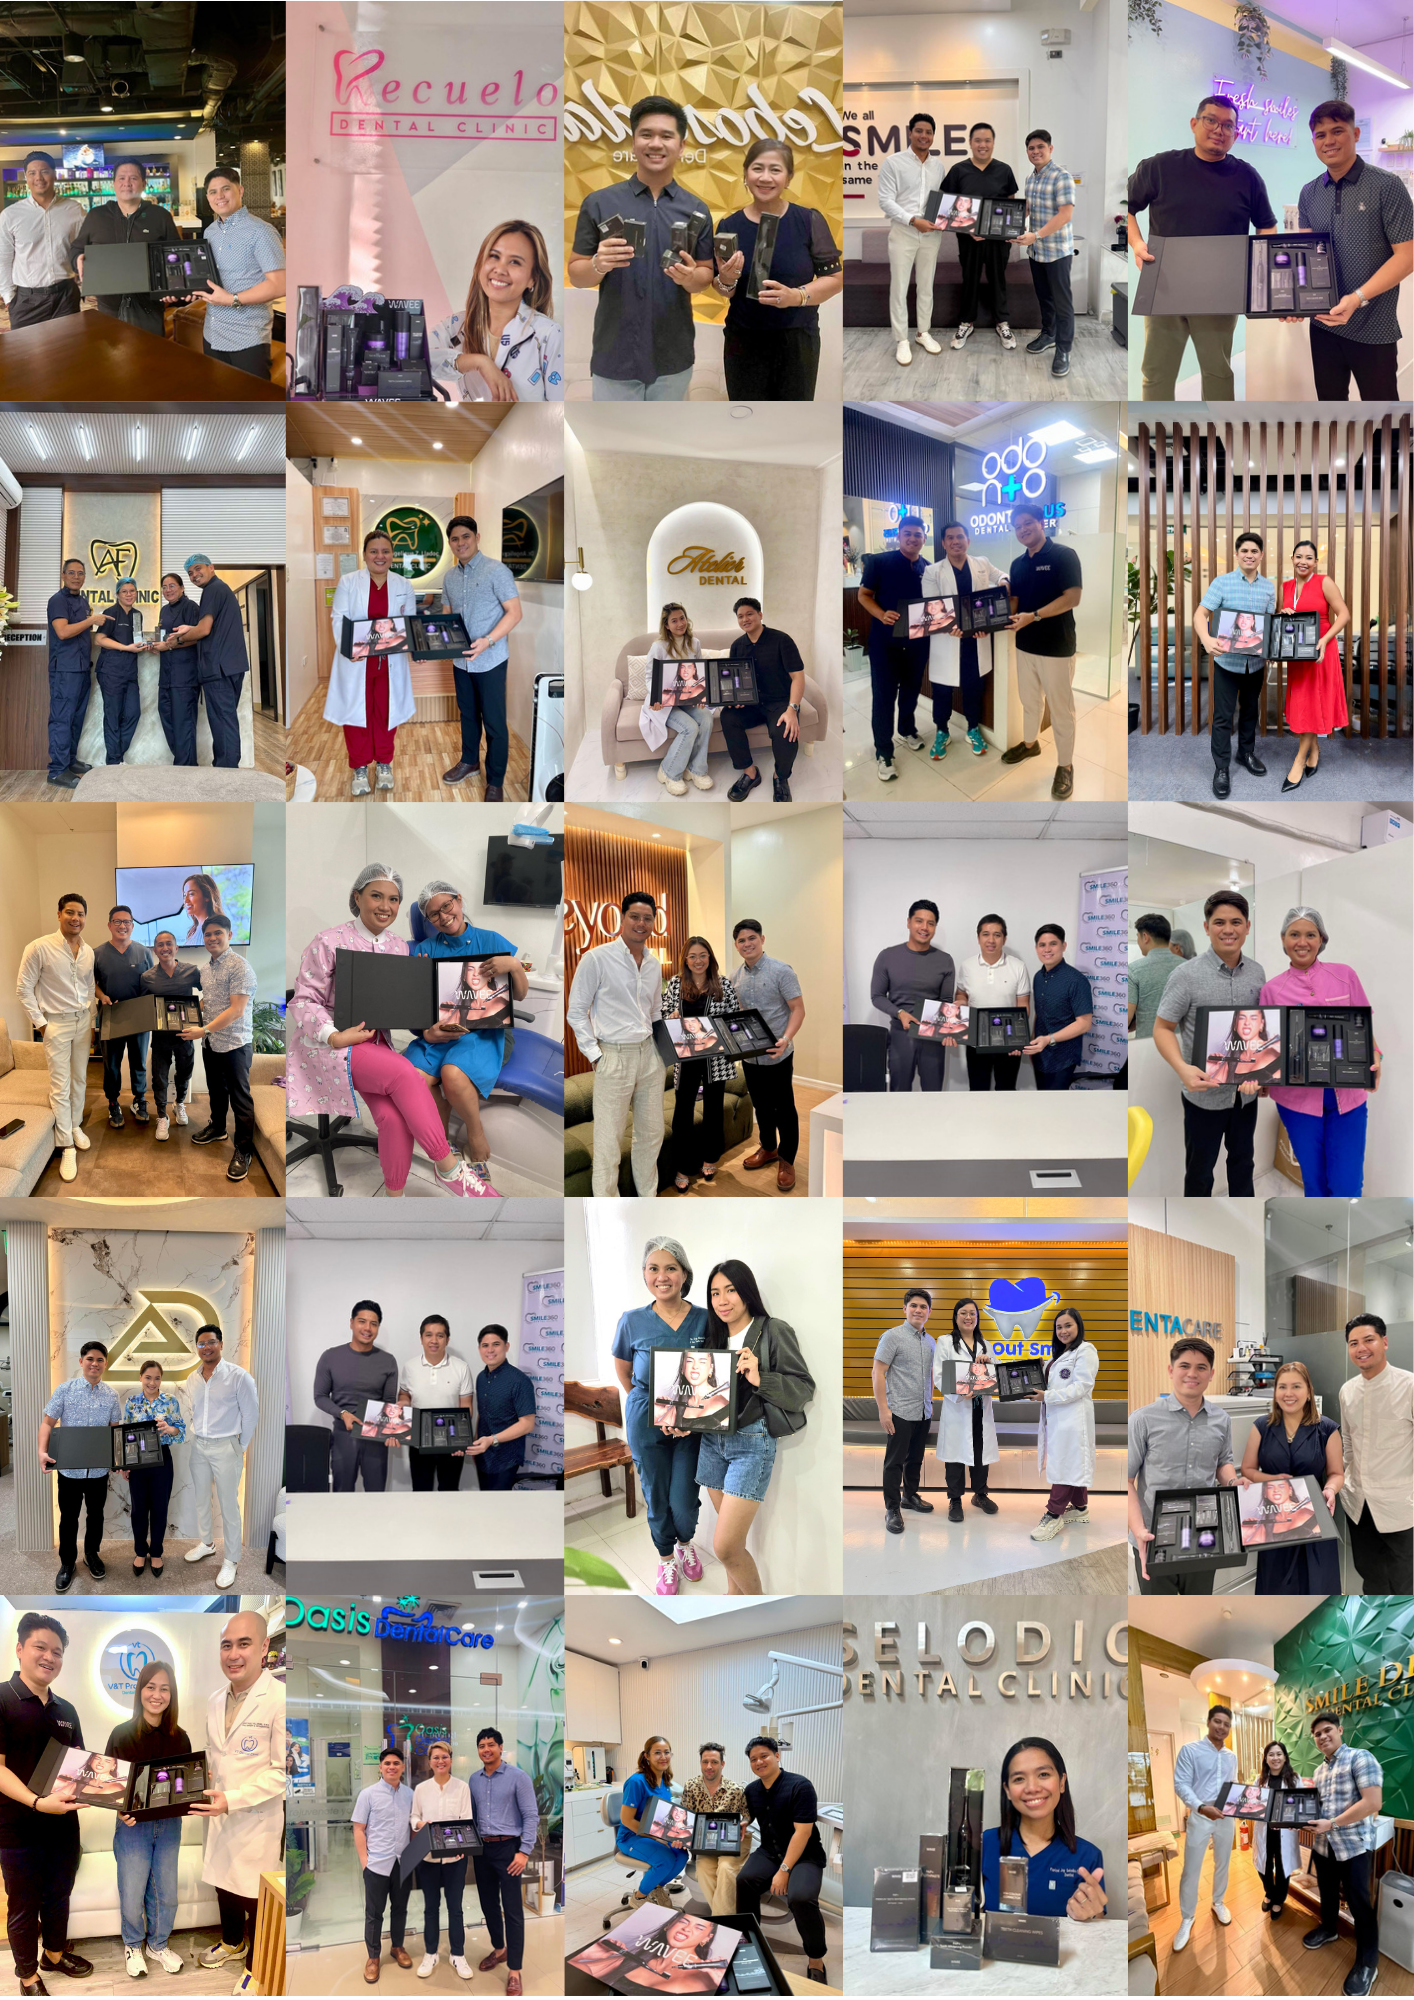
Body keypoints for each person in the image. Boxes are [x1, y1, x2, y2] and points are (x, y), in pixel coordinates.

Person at [289, 866, 489, 1198]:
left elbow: (405, 1002)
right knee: (403, 1071)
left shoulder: (400, 948)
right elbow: (302, 1001)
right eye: (376, 896)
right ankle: (449, 1168)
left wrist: (430, 1026)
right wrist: (333, 1035)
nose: (386, 906)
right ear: (357, 897)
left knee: (394, 1120)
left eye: (394, 899)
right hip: (328, 1045)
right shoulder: (328, 941)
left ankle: (394, 1198)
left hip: (374, 1044)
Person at [1128, 96, 1277, 398]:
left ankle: (1217, 440)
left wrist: (1257, 271)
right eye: (1211, 120)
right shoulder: (1159, 167)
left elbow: (1266, 224)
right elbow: (1126, 209)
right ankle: (1157, 439)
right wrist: (1136, 242)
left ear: (1235, 134)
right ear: (1194, 124)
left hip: (1219, 291)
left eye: (1228, 125)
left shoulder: (1247, 177)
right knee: (1156, 372)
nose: (1219, 130)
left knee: (1217, 370)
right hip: (1164, 285)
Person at [568, 95, 716, 400]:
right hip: (614, 355)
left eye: (666, 136)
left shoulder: (696, 209)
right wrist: (599, 264)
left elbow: (705, 274)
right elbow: (577, 275)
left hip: (673, 354)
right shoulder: (599, 203)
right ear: (634, 142)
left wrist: (691, 279)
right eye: (646, 134)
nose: (656, 144)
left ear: (682, 146)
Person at [405, 877, 526, 1196]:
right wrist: (427, 1031)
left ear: (459, 901)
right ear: (428, 920)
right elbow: (416, 1007)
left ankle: (475, 1134)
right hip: (442, 1030)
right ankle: (442, 1141)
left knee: (452, 1075)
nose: (443, 916)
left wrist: (512, 964)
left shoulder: (491, 940)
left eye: (447, 906)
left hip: (487, 1030)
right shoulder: (424, 950)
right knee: (413, 1078)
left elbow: (522, 995)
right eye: (434, 914)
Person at [185, 1610, 283, 1996]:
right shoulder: (213, 1700)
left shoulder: (279, 1699)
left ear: (263, 1648)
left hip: (255, 1819)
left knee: (254, 1896)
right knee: (222, 1884)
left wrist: (234, 1799)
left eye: (243, 1644)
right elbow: (214, 1755)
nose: (233, 1654)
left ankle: (255, 1965)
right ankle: (231, 1942)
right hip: (218, 1812)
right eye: (227, 1645)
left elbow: (283, 1772)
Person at [702, 1260, 814, 1593]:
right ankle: (732, 1600)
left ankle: (758, 1610)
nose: (722, 1300)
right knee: (732, 1545)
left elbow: (803, 1388)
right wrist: (680, 1421)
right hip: (710, 1442)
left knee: (723, 1546)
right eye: (715, 1293)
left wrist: (760, 1377)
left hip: (751, 1443)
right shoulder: (714, 1336)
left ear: (747, 1292)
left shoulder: (773, 1330)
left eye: (731, 1290)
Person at [0, 1612, 95, 2000]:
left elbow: (82, 1766)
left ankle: (54, 1955)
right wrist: (38, 1803)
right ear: (21, 1649)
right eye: (40, 1647)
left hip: (63, 1829)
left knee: (59, 1895)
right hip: (16, 1829)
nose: (49, 1657)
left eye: (57, 1652)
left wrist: (104, 1789)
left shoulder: (66, 1711)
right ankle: (26, 1976)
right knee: (23, 1905)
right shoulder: (2, 1700)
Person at [1259, 906, 1382, 1194]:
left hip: (1348, 1098)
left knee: (1347, 1184)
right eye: (1294, 934)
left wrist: (1376, 1055)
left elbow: (1365, 1026)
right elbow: (1266, 1046)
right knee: (1314, 1182)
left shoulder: (1345, 975)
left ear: (1321, 938)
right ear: (1283, 939)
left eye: (1310, 934)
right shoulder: (1271, 990)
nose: (1302, 942)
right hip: (1297, 1101)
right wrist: (1260, 1075)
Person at [1297, 100, 1413, 400]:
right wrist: (1295, 300)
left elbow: (1407, 257)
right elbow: (1306, 257)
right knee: (1332, 412)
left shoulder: (1386, 186)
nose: (1329, 141)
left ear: (1356, 133)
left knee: (1383, 420)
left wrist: (1357, 298)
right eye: (1320, 135)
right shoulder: (1309, 193)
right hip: (1324, 324)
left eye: (1337, 131)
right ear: (1313, 141)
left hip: (1374, 326)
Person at [1153, 890, 1267, 1195]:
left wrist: (1265, 1073)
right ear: (1206, 927)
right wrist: (1182, 1069)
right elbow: (1162, 1028)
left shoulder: (1258, 973)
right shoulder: (1185, 975)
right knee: (1200, 1173)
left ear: (1247, 926)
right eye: (1219, 922)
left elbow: (1260, 1031)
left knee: (1243, 1166)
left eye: (1235, 922)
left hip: (1245, 1096)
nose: (1227, 929)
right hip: (1203, 1098)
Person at [612, 1238, 708, 1594]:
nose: (662, 1276)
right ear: (644, 1274)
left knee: (683, 1501)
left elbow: (712, 1375)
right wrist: (656, 1409)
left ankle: (686, 1543)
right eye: (653, 1268)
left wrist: (686, 1416)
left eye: (670, 1268)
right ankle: (666, 1558)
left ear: (684, 1274)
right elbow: (625, 1375)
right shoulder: (632, 1321)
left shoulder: (703, 1319)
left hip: (692, 1426)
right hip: (645, 1422)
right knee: (655, 1495)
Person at [713, 138, 842, 400]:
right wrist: (725, 280)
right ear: (745, 174)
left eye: (775, 169)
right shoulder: (729, 225)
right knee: (747, 418)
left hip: (797, 341)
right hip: (743, 341)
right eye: (757, 168)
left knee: (793, 420)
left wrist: (797, 296)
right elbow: (723, 290)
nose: (765, 177)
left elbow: (835, 278)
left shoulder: (808, 220)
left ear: (789, 178)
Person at [568, 891, 666, 1198]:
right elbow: (575, 1012)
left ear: (653, 922)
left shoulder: (653, 964)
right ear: (622, 919)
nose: (641, 923)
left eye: (647, 918)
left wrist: (665, 1052)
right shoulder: (596, 958)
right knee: (609, 1144)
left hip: (650, 1054)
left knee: (651, 1136)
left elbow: (655, 1011)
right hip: (614, 1055)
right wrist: (596, 1055)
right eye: (634, 917)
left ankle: (647, 1200)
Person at [1128, 1336, 1243, 1593]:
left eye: (1201, 1367)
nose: (1192, 1373)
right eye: (1184, 1366)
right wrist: (1138, 1532)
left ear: (1211, 1374)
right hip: (1154, 1539)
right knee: (1157, 1620)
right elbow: (1126, 1480)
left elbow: (1223, 1462)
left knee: (1196, 1614)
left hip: (1203, 1536)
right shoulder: (1143, 1419)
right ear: (1171, 1370)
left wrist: (1234, 1481)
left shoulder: (1221, 1420)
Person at [108, 1658, 191, 1977]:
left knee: (166, 1891)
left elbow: (184, 1785)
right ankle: (132, 1944)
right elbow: (109, 1785)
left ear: (172, 1695)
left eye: (165, 1689)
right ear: (140, 1690)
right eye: (150, 1686)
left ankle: (158, 1945)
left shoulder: (180, 1737)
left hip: (170, 1826)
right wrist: (120, 1809)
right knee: (131, 1890)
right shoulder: (121, 1734)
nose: (157, 1694)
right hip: (132, 1828)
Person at [327, 529, 418, 797]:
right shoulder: (348, 582)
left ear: (392, 556)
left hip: (390, 664)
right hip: (357, 662)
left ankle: (385, 764)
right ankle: (359, 767)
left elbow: (410, 624)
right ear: (364, 555)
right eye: (374, 551)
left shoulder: (404, 585)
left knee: (386, 714)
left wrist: (416, 647)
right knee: (357, 716)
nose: (380, 556)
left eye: (385, 551)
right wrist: (350, 647)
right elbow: (338, 618)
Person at [430, 219, 563, 401]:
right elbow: (411, 361)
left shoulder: (548, 334)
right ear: (480, 265)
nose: (500, 269)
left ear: (532, 279)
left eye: (515, 262)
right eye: (494, 256)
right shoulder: (456, 326)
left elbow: (558, 410)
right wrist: (480, 363)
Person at [1002, 504, 1084, 799]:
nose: (1022, 530)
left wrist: (1033, 616)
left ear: (1041, 522)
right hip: (1025, 645)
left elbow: (1072, 597)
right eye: (1017, 526)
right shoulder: (1017, 563)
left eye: (1027, 523)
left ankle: (1065, 766)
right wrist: (990, 618)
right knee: (1029, 702)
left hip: (1056, 647)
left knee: (1061, 710)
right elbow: (1015, 602)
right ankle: (1029, 744)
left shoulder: (1063, 555)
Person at [1239, 1360, 1343, 1593]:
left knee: (1318, 1588)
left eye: (1296, 1386)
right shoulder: (1261, 1427)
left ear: (1308, 1392)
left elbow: (1336, 1473)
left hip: (1315, 1521)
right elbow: (1247, 1470)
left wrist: (1330, 1490)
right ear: (1275, 1392)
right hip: (1275, 1521)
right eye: (1282, 1387)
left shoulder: (1326, 1429)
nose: (1289, 1393)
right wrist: (1273, 1480)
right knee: (1276, 1590)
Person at [439, 515, 522, 796]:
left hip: (491, 662)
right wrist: (433, 645)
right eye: (454, 539)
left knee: (495, 723)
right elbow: (447, 619)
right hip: (461, 662)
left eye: (465, 537)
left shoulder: (496, 571)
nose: (460, 543)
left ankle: (495, 781)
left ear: (476, 537)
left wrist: (488, 641)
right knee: (468, 715)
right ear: (449, 543)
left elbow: (515, 613)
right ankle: (470, 761)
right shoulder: (449, 577)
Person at [734, 1735, 828, 1983]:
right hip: (769, 1851)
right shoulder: (752, 1790)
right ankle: (750, 1944)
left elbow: (804, 1832)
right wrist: (743, 1823)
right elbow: (750, 1816)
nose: (759, 1762)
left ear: (777, 1755)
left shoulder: (800, 1786)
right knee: (744, 1880)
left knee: (801, 1898)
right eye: (753, 1759)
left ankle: (816, 1959)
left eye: (764, 1756)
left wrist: (784, 1870)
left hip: (804, 1856)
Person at [1305, 1709, 1384, 1997]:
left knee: (1359, 1903)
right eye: (1317, 1734)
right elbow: (1320, 1809)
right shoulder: (1318, 1771)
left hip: (1352, 1846)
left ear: (1340, 1730)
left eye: (1327, 1730)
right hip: (1325, 1846)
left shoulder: (1360, 1757)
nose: (1323, 1736)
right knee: (1327, 1892)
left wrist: (1333, 1823)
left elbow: (1373, 1802)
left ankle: (1368, 1962)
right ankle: (1329, 1928)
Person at [18, 891, 96, 1183]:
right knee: (59, 1084)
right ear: (59, 914)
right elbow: (23, 988)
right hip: (55, 1025)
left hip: (82, 1021)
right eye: (70, 913)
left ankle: (74, 1124)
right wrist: (41, 1025)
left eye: (81, 914)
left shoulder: (88, 951)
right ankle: (66, 1144)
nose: (76, 919)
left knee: (79, 1079)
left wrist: (89, 1017)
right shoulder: (39, 947)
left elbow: (89, 987)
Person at [981, 1739, 1106, 1918]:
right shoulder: (986, 1844)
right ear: (1007, 1790)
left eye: (1043, 1774)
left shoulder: (1087, 1856)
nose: (1032, 1788)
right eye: (1019, 1779)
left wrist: (1093, 1915)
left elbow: (1097, 1927)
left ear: (1062, 1782)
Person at [1193, 532, 1277, 796]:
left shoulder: (1269, 587)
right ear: (1237, 554)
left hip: (1256, 664)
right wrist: (1206, 638)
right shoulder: (1222, 583)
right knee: (1222, 717)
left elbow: (1269, 622)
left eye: (1254, 551)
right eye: (1245, 551)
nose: (1249, 555)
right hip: (1227, 663)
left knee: (1251, 712)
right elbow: (1200, 613)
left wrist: (1277, 634)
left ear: (1261, 555)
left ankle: (1246, 754)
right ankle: (1221, 767)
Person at [1338, 1311, 1414, 1596]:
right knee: (1370, 1578)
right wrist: (1347, 1481)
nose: (1361, 1348)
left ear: (1384, 1342)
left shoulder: (1409, 1386)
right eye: (1353, 1343)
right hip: (1359, 1504)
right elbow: (1348, 1441)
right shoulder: (1347, 1391)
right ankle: (1375, 1635)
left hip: (1399, 1504)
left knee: (1402, 1581)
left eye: (1368, 1339)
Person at [919, 522, 1008, 763]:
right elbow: (932, 606)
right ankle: (942, 731)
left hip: (974, 640)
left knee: (973, 687)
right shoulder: (932, 571)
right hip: (946, 640)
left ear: (968, 540)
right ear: (943, 543)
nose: (956, 541)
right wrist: (950, 627)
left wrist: (1003, 583)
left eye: (960, 536)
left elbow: (1001, 575)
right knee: (942, 691)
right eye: (950, 538)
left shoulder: (982, 563)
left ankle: (972, 729)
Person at [38, 1338, 120, 1591]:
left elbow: (114, 1431)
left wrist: (119, 1461)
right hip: (69, 1470)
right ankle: (67, 1563)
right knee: (69, 1518)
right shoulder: (65, 1389)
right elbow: (47, 1423)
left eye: (100, 1360)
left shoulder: (112, 1395)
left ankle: (92, 1554)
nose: (94, 1364)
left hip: (98, 1470)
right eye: (90, 1359)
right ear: (81, 1362)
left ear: (105, 1364)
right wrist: (42, 1451)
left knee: (96, 1516)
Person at [181, 913, 257, 1181]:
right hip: (211, 1043)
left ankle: (243, 1150)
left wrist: (203, 1029)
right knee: (216, 1091)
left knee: (240, 1099)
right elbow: (210, 1003)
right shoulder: (206, 968)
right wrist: (188, 1012)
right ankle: (217, 1128)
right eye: (208, 934)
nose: (212, 938)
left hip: (235, 1044)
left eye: (218, 933)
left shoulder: (240, 967)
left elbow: (236, 1009)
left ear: (229, 935)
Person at [182, 1323, 258, 1587]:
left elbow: (251, 1415)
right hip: (199, 1446)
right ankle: (206, 1543)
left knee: (228, 1506)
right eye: (201, 1343)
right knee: (201, 1498)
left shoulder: (239, 1376)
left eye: (211, 1342)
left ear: (221, 1344)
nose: (206, 1347)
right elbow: (193, 1411)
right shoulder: (193, 1378)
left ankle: (232, 1560)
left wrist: (240, 1447)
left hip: (227, 1446)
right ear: (197, 1347)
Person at [662, 938, 741, 1187]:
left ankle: (710, 1157)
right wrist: (672, 1015)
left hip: (715, 1057)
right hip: (685, 1058)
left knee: (713, 1110)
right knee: (682, 1112)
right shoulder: (676, 983)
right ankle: (684, 1166)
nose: (698, 961)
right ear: (685, 959)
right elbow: (664, 1011)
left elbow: (733, 1017)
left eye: (703, 955)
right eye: (693, 956)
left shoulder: (722, 984)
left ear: (710, 957)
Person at [732, 920, 805, 1192]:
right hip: (750, 1057)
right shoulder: (734, 977)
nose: (747, 944)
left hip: (779, 1054)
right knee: (761, 1105)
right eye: (741, 940)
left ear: (762, 939)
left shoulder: (781, 971)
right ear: (736, 945)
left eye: (752, 938)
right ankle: (769, 1148)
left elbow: (798, 1009)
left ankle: (787, 1159)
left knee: (784, 1108)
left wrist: (786, 1039)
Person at [72, 157, 182, 335]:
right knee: (109, 358)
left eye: (133, 178)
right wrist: (78, 259)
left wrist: (173, 287)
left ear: (144, 184)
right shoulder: (96, 216)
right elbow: (76, 249)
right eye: (121, 178)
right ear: (113, 183)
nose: (127, 183)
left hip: (149, 308)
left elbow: (175, 256)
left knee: (150, 358)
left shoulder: (160, 216)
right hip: (108, 307)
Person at [857, 514, 930, 781]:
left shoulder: (929, 567)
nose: (913, 538)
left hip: (918, 642)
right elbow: (863, 595)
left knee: (911, 691)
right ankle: (884, 751)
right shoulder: (879, 562)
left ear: (924, 538)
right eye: (907, 533)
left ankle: (907, 729)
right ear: (899, 536)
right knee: (884, 697)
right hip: (885, 643)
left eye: (918, 534)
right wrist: (880, 614)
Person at [1275, 543, 1351, 791]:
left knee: (1313, 703)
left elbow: (1344, 614)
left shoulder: (1324, 581)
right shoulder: (1285, 586)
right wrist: (1284, 612)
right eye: (1299, 557)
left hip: (1320, 653)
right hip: (1298, 656)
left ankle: (1299, 761)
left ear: (1316, 562)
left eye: (1309, 557)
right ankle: (1314, 749)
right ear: (1292, 559)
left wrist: (1325, 640)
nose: (1303, 561)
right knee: (1303, 705)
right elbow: (1283, 620)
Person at [198, 166, 286, 380]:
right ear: (208, 197)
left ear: (240, 190)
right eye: (212, 191)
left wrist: (232, 299)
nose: (219, 196)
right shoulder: (210, 231)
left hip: (248, 337)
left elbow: (280, 284)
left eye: (226, 189)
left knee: (252, 406)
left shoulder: (261, 231)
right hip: (212, 333)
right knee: (220, 400)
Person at [469, 1725, 538, 1996]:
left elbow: (531, 1816)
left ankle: (515, 1970)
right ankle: (499, 1950)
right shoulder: (474, 1779)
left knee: (512, 1910)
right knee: (488, 1904)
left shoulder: (518, 1777)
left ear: (500, 1748)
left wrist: (524, 1852)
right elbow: (471, 1818)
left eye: (490, 1744)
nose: (486, 1749)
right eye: (481, 1745)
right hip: (482, 1851)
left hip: (509, 1849)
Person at [167, 556, 250, 769]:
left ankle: (226, 772)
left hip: (219, 669)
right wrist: (188, 629)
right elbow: (211, 627)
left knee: (223, 724)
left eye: (198, 569)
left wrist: (177, 639)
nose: (195, 575)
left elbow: (203, 629)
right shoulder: (221, 589)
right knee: (225, 721)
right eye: (190, 573)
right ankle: (225, 767)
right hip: (229, 666)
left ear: (211, 568)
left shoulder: (213, 590)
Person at [943, 123, 1020, 353]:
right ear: (970, 143)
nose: (982, 145)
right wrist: (969, 229)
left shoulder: (1004, 170)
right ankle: (966, 323)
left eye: (987, 140)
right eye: (978, 140)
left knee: (998, 280)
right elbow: (947, 208)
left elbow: (1010, 201)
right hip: (969, 239)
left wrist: (1010, 230)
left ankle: (1002, 323)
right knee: (970, 280)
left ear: (993, 143)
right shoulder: (958, 170)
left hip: (998, 241)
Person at [876, 113, 946, 365]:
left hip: (931, 235)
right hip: (903, 232)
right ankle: (902, 339)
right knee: (900, 287)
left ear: (933, 136)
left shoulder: (939, 166)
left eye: (928, 132)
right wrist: (912, 219)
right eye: (919, 131)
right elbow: (885, 200)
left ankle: (922, 333)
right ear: (910, 132)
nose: (924, 136)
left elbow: (940, 202)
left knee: (926, 285)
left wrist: (942, 219)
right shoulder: (893, 162)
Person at [722, 598, 806, 804]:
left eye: (749, 614)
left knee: (785, 730)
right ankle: (750, 773)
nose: (745, 619)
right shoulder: (737, 646)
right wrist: (734, 698)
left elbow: (798, 677)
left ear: (760, 615)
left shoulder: (782, 640)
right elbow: (735, 681)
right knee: (728, 716)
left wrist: (792, 709)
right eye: (740, 616)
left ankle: (781, 777)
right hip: (750, 704)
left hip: (780, 702)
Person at [1171, 1704, 1238, 1952]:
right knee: (1191, 1868)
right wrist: (1200, 1807)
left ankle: (1218, 1902)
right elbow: (1181, 1785)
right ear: (1208, 1721)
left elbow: (1232, 1785)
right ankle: (1187, 1917)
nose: (1222, 1727)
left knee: (1223, 1862)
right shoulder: (1190, 1751)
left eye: (1227, 1724)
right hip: (1200, 1815)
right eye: (1218, 1721)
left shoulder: (1231, 1756)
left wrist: (1236, 1805)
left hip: (1226, 1816)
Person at [870, 901, 956, 1093]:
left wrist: (952, 1027)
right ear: (908, 922)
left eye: (930, 923)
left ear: (935, 927)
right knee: (899, 1093)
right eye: (919, 921)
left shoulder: (945, 960)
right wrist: (899, 1012)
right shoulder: (887, 956)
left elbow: (946, 1002)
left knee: (933, 1094)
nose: (924, 927)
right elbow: (877, 996)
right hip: (901, 1034)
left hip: (933, 1037)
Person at [315, 1301, 400, 1493]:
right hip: (343, 1434)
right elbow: (320, 1396)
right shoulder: (331, 1356)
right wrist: (342, 1413)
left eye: (374, 1323)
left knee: (376, 1496)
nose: (367, 1328)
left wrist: (395, 1429)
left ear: (378, 1327)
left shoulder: (388, 1361)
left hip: (376, 1437)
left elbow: (389, 1403)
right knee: (342, 1495)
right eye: (362, 1321)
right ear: (352, 1322)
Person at [1029, 1308, 1099, 1541]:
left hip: (1073, 1420)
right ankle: (1080, 1508)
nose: (1063, 1331)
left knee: (1066, 1464)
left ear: (1078, 1326)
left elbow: (1081, 1387)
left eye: (1068, 1325)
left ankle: (1053, 1513)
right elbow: (1051, 1386)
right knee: (1071, 1462)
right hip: (1058, 1420)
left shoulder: (1085, 1351)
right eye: (1059, 1327)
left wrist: (1046, 1396)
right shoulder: (1057, 1356)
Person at [872, 1288, 936, 1536]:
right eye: (914, 1306)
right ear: (905, 1309)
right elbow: (878, 1372)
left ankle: (909, 1496)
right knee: (894, 1462)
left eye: (923, 1307)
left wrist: (930, 1400)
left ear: (929, 1312)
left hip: (923, 1412)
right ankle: (892, 1508)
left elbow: (930, 1375)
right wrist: (883, 1410)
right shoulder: (892, 1337)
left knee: (915, 1460)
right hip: (898, 1411)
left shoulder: (930, 1341)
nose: (918, 1310)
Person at [411, 1739, 476, 1979]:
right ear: (430, 1762)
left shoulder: (462, 1788)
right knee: (430, 1908)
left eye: (445, 1757)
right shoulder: (421, 1789)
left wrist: (462, 1845)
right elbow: (414, 1816)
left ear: (451, 1760)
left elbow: (466, 1819)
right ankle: (431, 1953)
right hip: (427, 1858)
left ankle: (457, 1954)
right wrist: (420, 1824)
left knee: (455, 1908)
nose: (440, 1761)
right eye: (436, 1758)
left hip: (455, 1859)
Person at [352, 1745, 415, 1984]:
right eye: (387, 1763)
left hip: (402, 1862)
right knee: (374, 1913)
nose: (391, 1767)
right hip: (377, 1864)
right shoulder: (368, 1794)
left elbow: (413, 1827)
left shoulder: (410, 1794)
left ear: (402, 1767)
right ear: (380, 1767)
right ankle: (373, 1957)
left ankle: (397, 1947)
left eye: (396, 1763)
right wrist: (364, 1862)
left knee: (400, 1909)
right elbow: (358, 1829)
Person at [1017, 131, 1077, 378]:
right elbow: (1027, 211)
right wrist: (1013, 229)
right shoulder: (1031, 179)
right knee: (1044, 298)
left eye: (1040, 147)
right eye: (1031, 148)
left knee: (1063, 304)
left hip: (1057, 252)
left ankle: (1063, 350)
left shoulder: (1061, 177)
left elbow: (1065, 215)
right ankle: (1049, 334)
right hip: (1036, 251)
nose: (1035, 151)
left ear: (1050, 148)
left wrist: (1036, 235)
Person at [933, 1298, 999, 1520]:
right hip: (958, 1408)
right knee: (955, 1456)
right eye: (963, 1313)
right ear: (955, 1316)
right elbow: (939, 1375)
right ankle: (955, 1500)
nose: (968, 1317)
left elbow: (996, 1375)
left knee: (980, 1453)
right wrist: (959, 1392)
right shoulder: (944, 1342)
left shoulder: (985, 1344)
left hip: (981, 1408)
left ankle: (980, 1494)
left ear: (977, 1317)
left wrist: (989, 1362)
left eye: (972, 1313)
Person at [0, 151, 84, 326]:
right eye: (32, 173)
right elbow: (3, 258)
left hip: (66, 297)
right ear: (26, 178)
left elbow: (84, 246)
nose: (38, 177)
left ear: (54, 175)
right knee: (26, 352)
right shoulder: (10, 215)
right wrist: (9, 298)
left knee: (69, 350)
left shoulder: (74, 210)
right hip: (26, 301)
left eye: (44, 171)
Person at [642, 603, 718, 795]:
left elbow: (698, 673)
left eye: (682, 618)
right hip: (665, 703)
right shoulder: (658, 647)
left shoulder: (695, 643)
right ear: (666, 625)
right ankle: (669, 772)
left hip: (688, 699)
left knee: (707, 719)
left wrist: (702, 694)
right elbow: (650, 677)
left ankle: (696, 769)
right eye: (674, 620)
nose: (679, 624)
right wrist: (656, 697)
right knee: (689, 728)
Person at [395, 1316, 475, 1493]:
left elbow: (467, 1407)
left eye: (440, 1335)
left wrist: (462, 1442)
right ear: (421, 1338)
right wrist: (403, 1402)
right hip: (419, 1441)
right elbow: (405, 1394)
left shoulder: (461, 1367)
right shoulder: (410, 1367)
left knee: (449, 1492)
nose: (434, 1340)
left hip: (451, 1442)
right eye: (428, 1335)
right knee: (421, 1492)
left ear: (447, 1339)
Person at [122, 1360, 185, 1578]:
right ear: (141, 1377)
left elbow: (181, 1430)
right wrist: (125, 1464)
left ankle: (156, 1552)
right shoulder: (131, 1402)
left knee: (160, 1508)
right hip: (138, 1461)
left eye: (157, 1378)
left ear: (161, 1379)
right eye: (148, 1377)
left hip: (162, 1460)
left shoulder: (170, 1401)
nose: (152, 1382)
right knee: (139, 1509)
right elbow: (125, 1435)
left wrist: (170, 1428)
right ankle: (141, 1552)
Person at [94, 903, 153, 1130]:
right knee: (112, 1064)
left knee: (139, 1061)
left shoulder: (143, 952)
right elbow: (93, 985)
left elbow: (151, 982)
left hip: (138, 1017)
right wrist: (103, 997)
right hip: (110, 1015)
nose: (122, 926)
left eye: (127, 922)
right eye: (117, 921)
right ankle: (113, 1102)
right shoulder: (97, 954)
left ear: (132, 925)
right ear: (109, 925)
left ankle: (139, 1100)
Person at [44, 558, 102, 789]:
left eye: (80, 573)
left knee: (76, 720)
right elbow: (63, 632)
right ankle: (57, 771)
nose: (76, 577)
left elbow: (83, 633)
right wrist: (91, 620)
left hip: (81, 668)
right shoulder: (58, 601)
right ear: (63, 575)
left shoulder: (83, 601)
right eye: (72, 573)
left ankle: (69, 762)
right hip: (64, 671)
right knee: (61, 720)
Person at [140, 929, 203, 1139]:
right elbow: (143, 1005)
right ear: (155, 950)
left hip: (185, 1034)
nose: (165, 948)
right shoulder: (147, 977)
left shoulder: (191, 971)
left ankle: (179, 1104)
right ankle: (161, 1116)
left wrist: (198, 1008)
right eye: (160, 945)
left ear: (176, 948)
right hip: (160, 1037)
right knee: (159, 1078)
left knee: (184, 1073)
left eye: (169, 944)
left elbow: (210, 991)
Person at [956, 914, 1030, 1089]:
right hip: (975, 1039)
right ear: (978, 937)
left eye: (997, 935)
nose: (991, 940)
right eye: (986, 934)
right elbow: (961, 995)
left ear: (1004, 939)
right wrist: (959, 1002)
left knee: (1006, 1090)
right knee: (977, 1089)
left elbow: (1024, 1006)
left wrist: (1019, 1042)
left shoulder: (1018, 966)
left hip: (1009, 1040)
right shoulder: (967, 966)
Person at [617, 1736, 692, 1906]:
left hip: (654, 1834)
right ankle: (638, 1898)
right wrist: (657, 1838)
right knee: (665, 1859)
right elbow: (626, 1819)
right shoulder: (636, 1782)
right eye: (657, 1753)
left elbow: (663, 1817)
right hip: (631, 1836)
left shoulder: (665, 1782)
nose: (663, 1756)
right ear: (647, 1756)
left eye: (666, 1752)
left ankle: (656, 1888)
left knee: (681, 1855)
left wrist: (680, 1835)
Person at [680, 1743, 752, 1915]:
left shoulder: (735, 1790)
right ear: (700, 1763)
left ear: (722, 1764)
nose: (709, 1767)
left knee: (726, 1869)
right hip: (707, 1843)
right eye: (705, 1762)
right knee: (703, 1870)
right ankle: (727, 1919)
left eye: (714, 1762)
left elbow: (747, 1814)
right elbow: (685, 1818)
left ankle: (721, 1921)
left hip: (732, 1842)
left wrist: (745, 1822)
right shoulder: (691, 1787)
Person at [145, 573, 205, 766]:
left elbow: (197, 637)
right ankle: (183, 760)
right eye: (164, 587)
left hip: (185, 677)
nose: (168, 590)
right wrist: (154, 644)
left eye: (172, 586)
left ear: (181, 588)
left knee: (184, 723)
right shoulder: (164, 610)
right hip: (167, 676)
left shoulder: (191, 608)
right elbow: (162, 636)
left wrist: (168, 646)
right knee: (167, 717)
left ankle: (186, 767)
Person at [468, 1323, 537, 1491]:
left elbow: (527, 1424)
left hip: (506, 1458)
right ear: (479, 1349)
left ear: (506, 1346)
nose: (490, 1350)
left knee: (500, 1509)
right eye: (485, 1345)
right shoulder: (480, 1378)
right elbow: (482, 1414)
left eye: (496, 1344)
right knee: (486, 1503)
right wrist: (477, 1441)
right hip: (483, 1455)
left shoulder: (519, 1381)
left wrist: (492, 1440)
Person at [1025, 925, 1093, 1090]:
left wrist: (1049, 1039)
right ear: (1036, 948)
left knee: (1056, 1108)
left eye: (1053, 944)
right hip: (1040, 1054)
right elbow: (1039, 1014)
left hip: (1063, 1057)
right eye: (1042, 945)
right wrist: (1034, 1041)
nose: (1047, 949)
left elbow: (1084, 1023)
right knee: (1042, 1101)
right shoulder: (1038, 977)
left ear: (1063, 946)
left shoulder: (1076, 980)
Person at [92, 578, 147, 766]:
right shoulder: (110, 613)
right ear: (117, 594)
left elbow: (137, 639)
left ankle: (116, 755)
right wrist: (126, 648)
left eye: (132, 590)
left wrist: (148, 645)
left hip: (130, 672)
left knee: (133, 713)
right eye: (124, 591)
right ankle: (114, 762)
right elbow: (99, 639)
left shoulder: (138, 615)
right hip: (111, 671)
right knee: (113, 715)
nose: (129, 594)